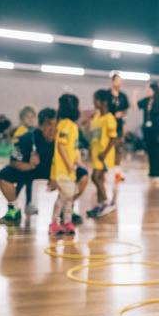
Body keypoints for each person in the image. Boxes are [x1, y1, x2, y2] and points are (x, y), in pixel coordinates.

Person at [0, 108, 89, 226]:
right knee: (4, 175)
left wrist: (58, 177)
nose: (53, 129)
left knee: (83, 175)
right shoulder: (27, 138)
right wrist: (28, 165)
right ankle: (13, 209)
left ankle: (67, 207)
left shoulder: (64, 138)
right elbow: (13, 161)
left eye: (56, 125)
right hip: (31, 170)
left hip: (56, 171)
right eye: (49, 124)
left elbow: (76, 156)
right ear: (40, 126)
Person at [49, 94, 81, 236]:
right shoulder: (66, 125)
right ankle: (54, 223)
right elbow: (61, 146)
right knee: (63, 198)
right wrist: (68, 165)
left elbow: (72, 147)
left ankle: (67, 222)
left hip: (69, 170)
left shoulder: (71, 125)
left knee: (68, 198)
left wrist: (77, 161)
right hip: (63, 170)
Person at [87, 89, 118, 218]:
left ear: (103, 102)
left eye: (96, 100)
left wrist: (104, 154)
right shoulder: (96, 118)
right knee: (99, 179)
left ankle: (106, 202)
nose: (94, 102)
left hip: (104, 156)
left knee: (95, 177)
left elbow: (113, 139)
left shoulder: (109, 118)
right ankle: (100, 204)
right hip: (96, 155)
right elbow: (93, 137)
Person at [136, 82, 159, 184]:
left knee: (158, 153)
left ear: (155, 90)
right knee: (150, 152)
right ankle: (152, 173)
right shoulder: (146, 101)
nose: (147, 92)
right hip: (148, 132)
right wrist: (134, 96)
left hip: (158, 132)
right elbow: (135, 107)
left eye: (149, 90)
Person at [10, 106, 38, 214]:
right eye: (27, 117)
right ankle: (13, 204)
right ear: (22, 119)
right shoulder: (20, 131)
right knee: (21, 183)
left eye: (32, 117)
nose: (30, 119)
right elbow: (16, 148)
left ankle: (28, 204)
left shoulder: (34, 131)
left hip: (29, 163)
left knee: (28, 183)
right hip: (22, 163)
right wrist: (19, 162)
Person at [107, 73, 129, 183]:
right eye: (118, 80)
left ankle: (117, 172)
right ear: (113, 81)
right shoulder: (107, 95)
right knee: (107, 148)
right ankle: (106, 171)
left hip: (118, 126)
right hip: (107, 126)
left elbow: (125, 111)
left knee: (118, 149)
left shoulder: (123, 96)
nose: (120, 83)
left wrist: (121, 115)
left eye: (121, 81)